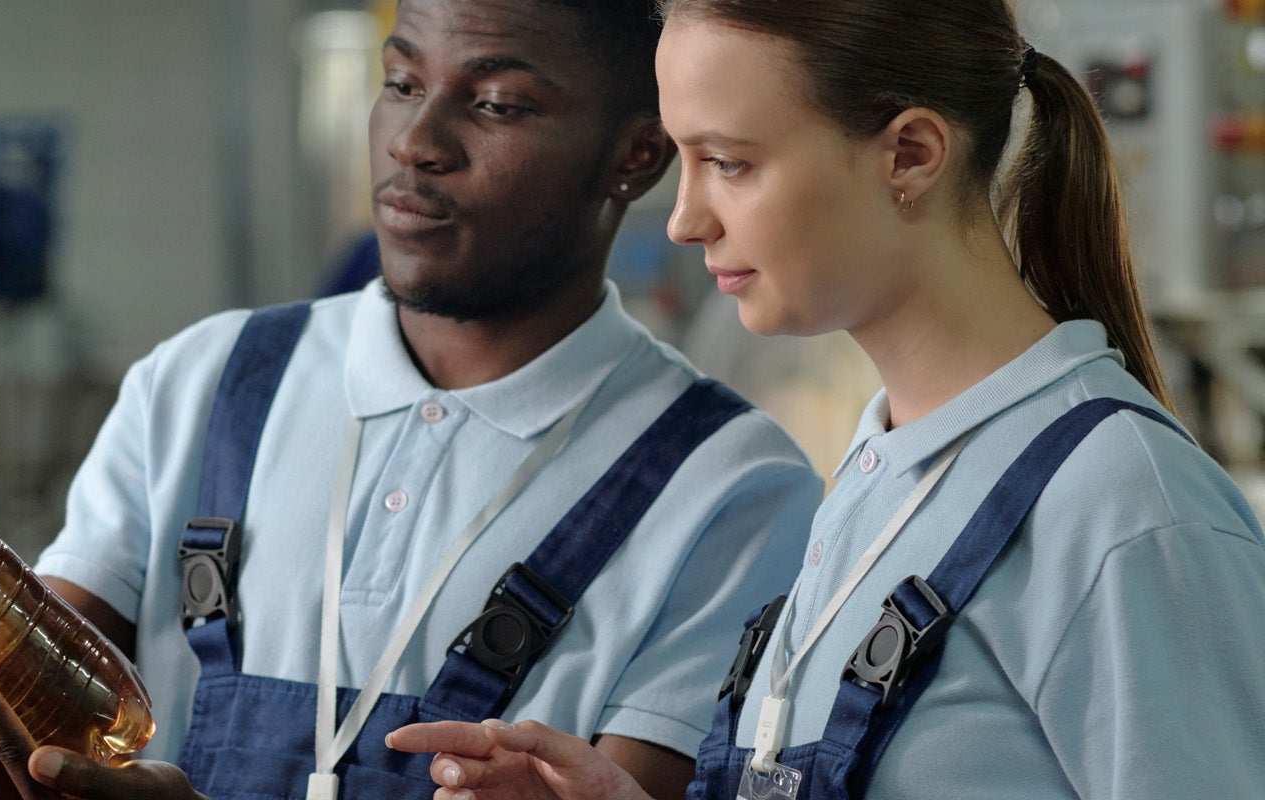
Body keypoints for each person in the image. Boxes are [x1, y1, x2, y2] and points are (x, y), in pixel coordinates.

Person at [0, 1, 825, 798]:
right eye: (401, 81)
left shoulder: (729, 493)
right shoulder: (205, 385)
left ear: (636, 154)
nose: (416, 142)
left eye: (497, 104)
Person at [388, 1, 1265, 798]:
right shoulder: (884, 474)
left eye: (729, 162)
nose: (688, 219)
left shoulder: (1121, 507)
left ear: (909, 154)